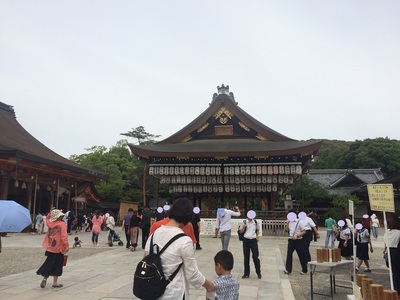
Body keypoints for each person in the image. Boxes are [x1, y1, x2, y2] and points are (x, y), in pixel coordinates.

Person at [144, 198, 214, 299]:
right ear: (187, 218)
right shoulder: (184, 241)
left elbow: (146, 259)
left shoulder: (154, 235)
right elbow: (192, 274)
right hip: (174, 293)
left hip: (153, 292)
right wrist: (209, 285)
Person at [36, 209, 69, 289]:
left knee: (49, 262)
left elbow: (47, 218)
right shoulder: (61, 224)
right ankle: (55, 282)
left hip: (50, 246)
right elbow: (63, 236)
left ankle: (45, 277)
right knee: (58, 265)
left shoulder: (50, 223)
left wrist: (49, 213)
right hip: (59, 247)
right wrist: (66, 245)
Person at [238, 210, 261, 279]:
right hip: (246, 240)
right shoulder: (244, 222)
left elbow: (257, 230)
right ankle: (246, 273)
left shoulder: (256, 222)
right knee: (246, 257)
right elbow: (241, 231)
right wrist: (244, 227)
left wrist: (257, 236)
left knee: (255, 256)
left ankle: (258, 272)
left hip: (253, 240)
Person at [284, 211, 308, 275]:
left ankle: (304, 269)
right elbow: (286, 230)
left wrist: (297, 235)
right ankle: (288, 269)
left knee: (301, 255)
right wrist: (287, 223)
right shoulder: (289, 222)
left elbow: (304, 231)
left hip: (298, 240)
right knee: (289, 254)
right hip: (291, 240)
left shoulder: (299, 222)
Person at [383, 213, 400, 296]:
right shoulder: (398, 233)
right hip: (397, 252)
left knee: (394, 273)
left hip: (390, 253)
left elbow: (386, 244)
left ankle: (395, 290)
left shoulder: (387, 233)